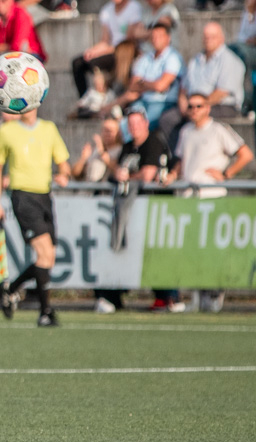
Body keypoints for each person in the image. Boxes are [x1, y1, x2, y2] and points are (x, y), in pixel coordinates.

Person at [164, 93, 253, 311]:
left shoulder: (218, 130)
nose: (194, 110)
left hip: (211, 197)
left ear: (207, 108)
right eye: (191, 106)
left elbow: (245, 154)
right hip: (189, 197)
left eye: (199, 106)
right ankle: (197, 296)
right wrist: (173, 174)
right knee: (193, 251)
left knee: (212, 250)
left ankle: (214, 293)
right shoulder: (186, 131)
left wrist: (227, 173)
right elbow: (182, 160)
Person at [0, 106, 71, 327]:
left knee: (48, 257)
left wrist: (63, 175)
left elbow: (64, 164)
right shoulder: (7, 131)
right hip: (23, 197)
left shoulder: (49, 129)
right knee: (44, 252)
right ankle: (45, 312)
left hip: (45, 196)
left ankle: (10, 289)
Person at [113, 105, 178, 312]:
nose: (134, 127)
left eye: (137, 123)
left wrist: (128, 177)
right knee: (135, 251)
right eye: (130, 124)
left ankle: (168, 297)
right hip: (134, 208)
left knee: (158, 251)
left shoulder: (153, 142)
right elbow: (119, 171)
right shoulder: (128, 146)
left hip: (156, 206)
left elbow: (147, 175)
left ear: (146, 123)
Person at [159, 22, 245, 141]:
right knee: (167, 119)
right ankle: (179, 152)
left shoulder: (230, 60)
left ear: (221, 38)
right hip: (193, 104)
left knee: (194, 117)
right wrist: (183, 103)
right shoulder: (195, 60)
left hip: (220, 106)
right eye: (206, 37)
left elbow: (221, 93)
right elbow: (183, 87)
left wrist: (197, 106)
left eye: (212, 36)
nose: (208, 40)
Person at [72, 0, 143, 99]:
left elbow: (129, 40)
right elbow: (105, 40)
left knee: (95, 64)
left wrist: (103, 50)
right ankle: (85, 99)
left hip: (126, 51)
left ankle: (102, 96)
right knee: (79, 62)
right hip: (112, 49)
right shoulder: (106, 10)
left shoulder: (134, 7)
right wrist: (93, 50)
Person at [113, 21, 184, 126]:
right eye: (153, 36)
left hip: (164, 103)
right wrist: (154, 85)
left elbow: (160, 86)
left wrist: (142, 83)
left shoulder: (173, 58)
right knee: (125, 125)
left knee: (139, 125)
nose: (155, 39)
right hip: (143, 101)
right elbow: (133, 85)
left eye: (159, 36)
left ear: (168, 38)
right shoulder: (145, 58)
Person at [71, 115, 123, 182]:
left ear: (118, 133)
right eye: (104, 130)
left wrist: (101, 152)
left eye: (110, 131)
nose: (107, 134)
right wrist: (83, 158)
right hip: (88, 187)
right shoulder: (94, 149)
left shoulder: (121, 150)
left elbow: (118, 170)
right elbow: (75, 174)